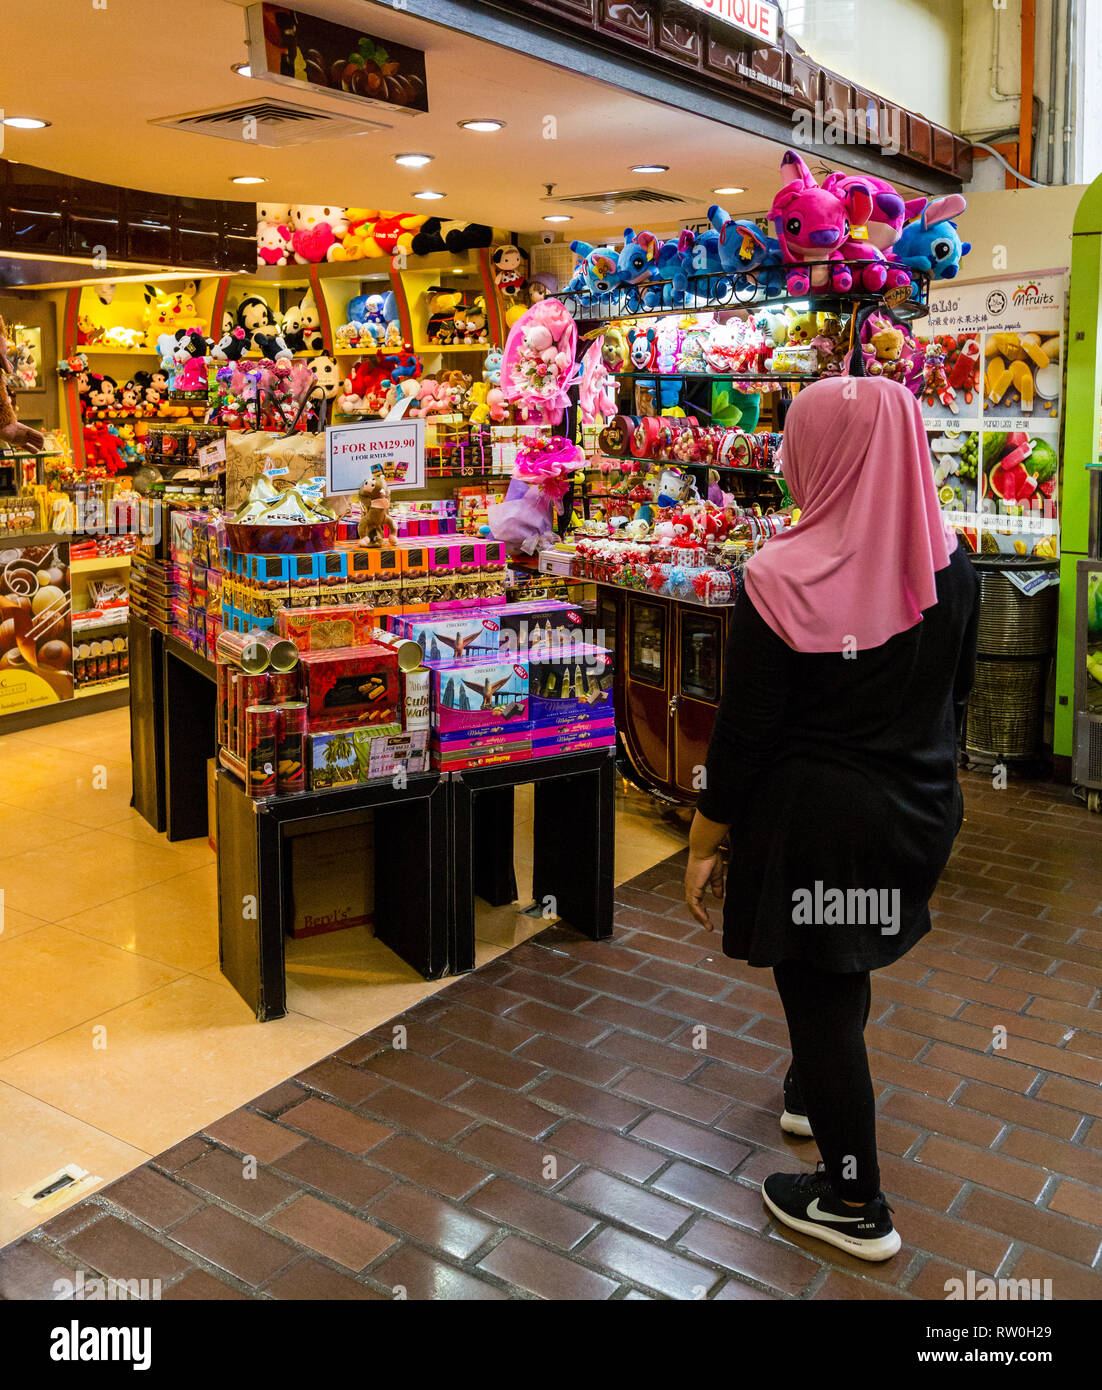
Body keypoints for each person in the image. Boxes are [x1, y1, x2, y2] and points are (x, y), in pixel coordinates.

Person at [684, 375, 979, 1262]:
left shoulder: (778, 580)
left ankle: (855, 1200)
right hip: (917, 816)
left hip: (817, 829)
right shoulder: (949, 558)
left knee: (820, 989)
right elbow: (954, 697)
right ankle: (812, 1094)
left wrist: (705, 837)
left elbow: (745, 733)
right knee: (845, 967)